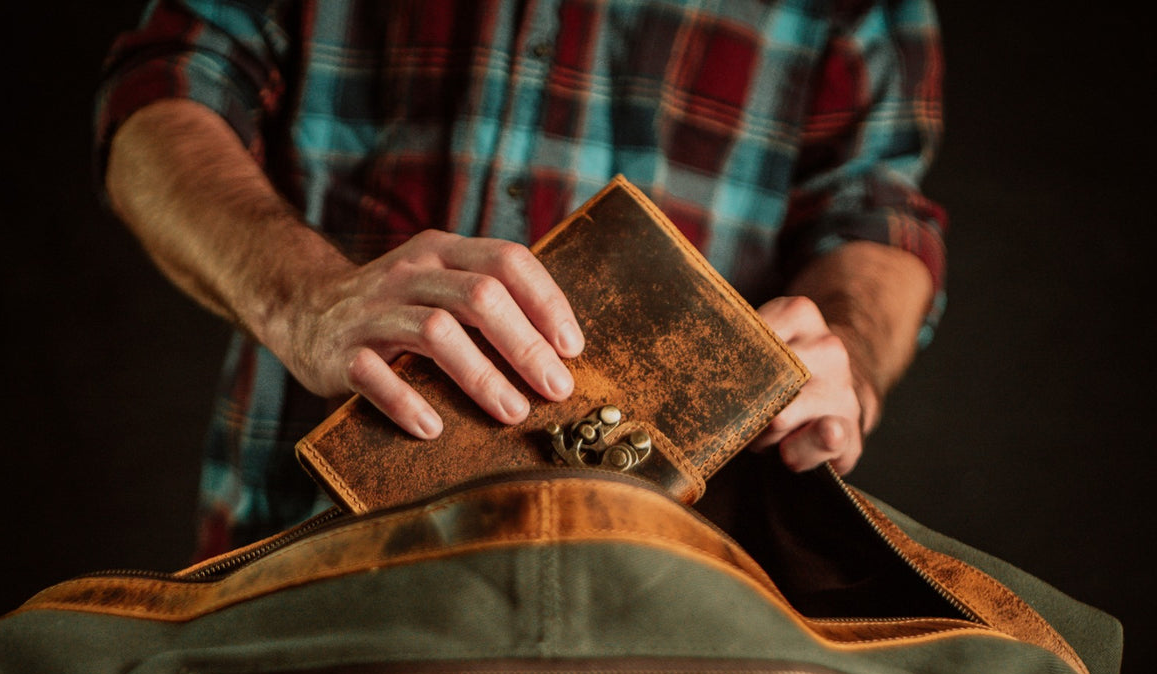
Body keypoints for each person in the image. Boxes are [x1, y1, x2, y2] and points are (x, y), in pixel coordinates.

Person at [95, 0, 945, 556]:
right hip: (305, 556)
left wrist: (848, 354)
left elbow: (874, 213)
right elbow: (166, 91)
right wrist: (304, 298)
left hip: (688, 591)